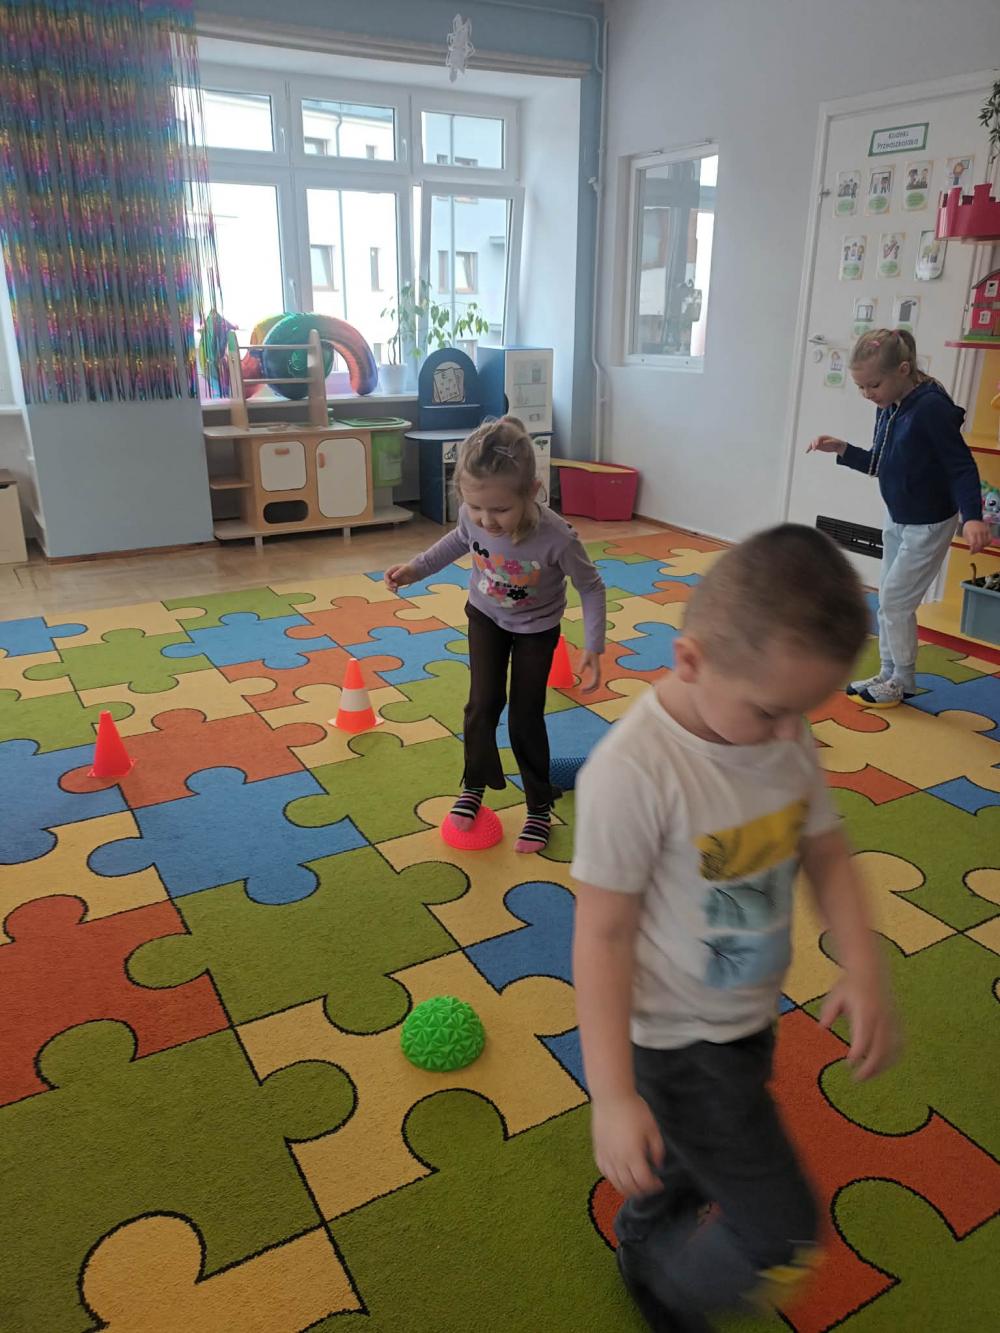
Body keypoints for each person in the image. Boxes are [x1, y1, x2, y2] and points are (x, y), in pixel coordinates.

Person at [571, 525, 898, 1332]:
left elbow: (826, 852)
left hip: (747, 1015)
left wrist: (863, 966)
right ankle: (667, 1286)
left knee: (685, 1156)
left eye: (805, 712)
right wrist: (612, 1095)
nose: (794, 734)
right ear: (690, 660)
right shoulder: (633, 771)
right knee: (781, 1224)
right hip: (676, 1042)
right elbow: (601, 937)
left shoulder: (780, 732)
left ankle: (643, 1229)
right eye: (774, 711)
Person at [385, 416, 606, 853]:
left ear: (532, 491)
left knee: (526, 716)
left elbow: (591, 586)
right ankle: (474, 785)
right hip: (485, 617)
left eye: (500, 509)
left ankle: (538, 805)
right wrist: (416, 569)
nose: (487, 521)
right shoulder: (474, 517)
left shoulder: (558, 538)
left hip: (537, 630)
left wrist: (594, 646)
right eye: (476, 507)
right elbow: (457, 540)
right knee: (482, 705)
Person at [808, 328, 989, 708]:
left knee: (894, 601)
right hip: (899, 516)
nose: (867, 394)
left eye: (873, 385)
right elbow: (879, 463)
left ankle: (902, 679)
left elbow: (960, 466)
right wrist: (843, 449)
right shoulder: (889, 405)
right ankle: (890, 673)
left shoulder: (931, 408)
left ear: (903, 370)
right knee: (889, 598)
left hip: (928, 523)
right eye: (861, 387)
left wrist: (973, 517)